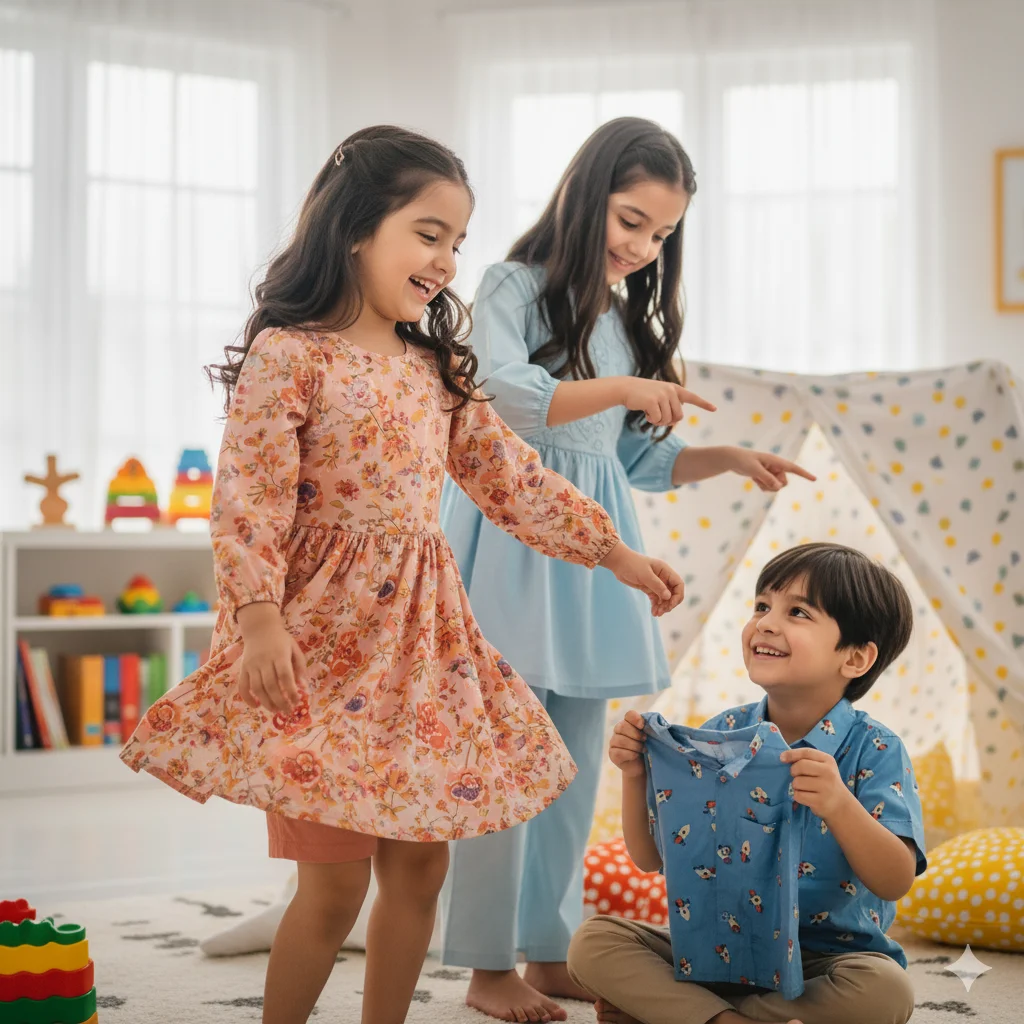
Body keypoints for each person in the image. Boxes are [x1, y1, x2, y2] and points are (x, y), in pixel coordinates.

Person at [119, 125, 685, 1024]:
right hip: (318, 649)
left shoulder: (436, 370)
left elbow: (511, 478)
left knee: (421, 865)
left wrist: (615, 553)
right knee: (334, 886)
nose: (448, 260)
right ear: (355, 228)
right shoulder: (290, 354)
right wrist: (259, 617)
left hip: (422, 651)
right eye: (429, 234)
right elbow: (249, 501)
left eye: (457, 242)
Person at [440, 117, 812, 1023]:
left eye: (661, 235)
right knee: (500, 766)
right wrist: (623, 390)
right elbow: (502, 401)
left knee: (569, 769)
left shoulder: (618, 319)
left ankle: (546, 946)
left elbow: (635, 459)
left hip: (597, 558)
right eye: (632, 221)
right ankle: (486, 963)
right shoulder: (512, 286)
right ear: (586, 192)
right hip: (513, 543)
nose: (643, 248)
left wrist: (723, 455)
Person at [570, 542, 926, 1024]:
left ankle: (686, 1015)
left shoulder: (876, 749)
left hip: (826, 962)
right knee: (594, 942)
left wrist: (839, 804)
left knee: (886, 992)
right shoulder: (721, 733)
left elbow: (895, 879)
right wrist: (635, 776)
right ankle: (726, 1017)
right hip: (716, 954)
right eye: (761, 605)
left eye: (797, 612)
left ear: (856, 659)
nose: (766, 622)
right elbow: (650, 857)